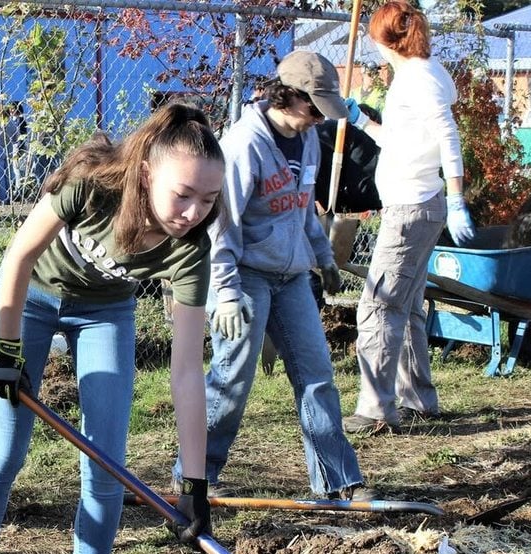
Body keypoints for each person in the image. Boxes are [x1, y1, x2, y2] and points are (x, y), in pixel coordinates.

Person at [0, 104, 226, 554]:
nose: (193, 212)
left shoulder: (191, 249)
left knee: (106, 458)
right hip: (34, 299)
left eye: (208, 200)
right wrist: (5, 351)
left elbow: (187, 370)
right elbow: (18, 258)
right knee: (5, 449)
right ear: (147, 173)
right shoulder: (90, 187)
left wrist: (195, 485)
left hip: (105, 313)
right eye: (183, 194)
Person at [174, 51, 372, 502]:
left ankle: (337, 480)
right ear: (289, 95)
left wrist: (322, 257)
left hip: (292, 276)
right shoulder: (245, 144)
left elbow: (303, 208)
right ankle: (194, 473)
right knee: (232, 377)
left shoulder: (305, 141)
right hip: (245, 277)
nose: (320, 118)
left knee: (317, 372)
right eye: (315, 107)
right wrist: (224, 291)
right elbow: (222, 222)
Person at [343, 1, 475, 436]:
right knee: (408, 307)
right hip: (416, 204)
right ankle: (418, 399)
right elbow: (400, 142)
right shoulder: (423, 73)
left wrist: (458, 197)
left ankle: (376, 409)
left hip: (412, 208)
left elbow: (447, 136)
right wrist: (360, 119)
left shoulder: (418, 80)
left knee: (378, 305)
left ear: (386, 39)